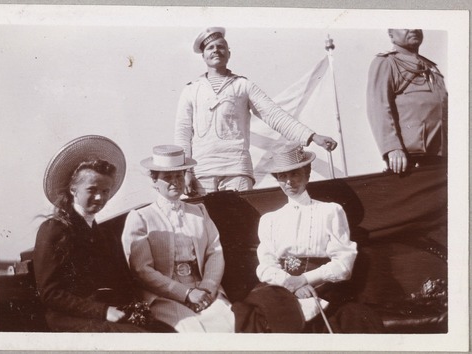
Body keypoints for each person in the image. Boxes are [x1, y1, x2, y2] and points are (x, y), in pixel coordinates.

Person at [174, 27, 338, 196]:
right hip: (202, 174)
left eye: (221, 46)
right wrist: (184, 172)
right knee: (204, 222)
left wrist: (313, 137)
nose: (216, 50)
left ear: (229, 53)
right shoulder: (191, 90)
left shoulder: (243, 85)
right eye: (210, 47)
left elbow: (274, 115)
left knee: (240, 222)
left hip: (237, 172)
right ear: (203, 56)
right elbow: (183, 134)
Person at [33, 135, 163, 332]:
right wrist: (103, 311)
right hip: (71, 319)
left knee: (166, 331)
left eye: (105, 191)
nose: (99, 197)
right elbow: (51, 294)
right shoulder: (54, 229)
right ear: (73, 189)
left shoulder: (103, 233)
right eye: (92, 189)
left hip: (107, 313)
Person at [255, 142, 384, 333]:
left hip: (323, 287)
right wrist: (291, 284)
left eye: (295, 174)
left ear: (307, 174)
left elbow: (343, 265)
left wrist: (305, 279)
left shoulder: (330, 211)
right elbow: (265, 266)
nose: (289, 182)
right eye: (283, 176)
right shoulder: (270, 220)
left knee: (349, 318)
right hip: (281, 289)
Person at [121, 144, 234, 332]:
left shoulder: (199, 211)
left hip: (205, 289)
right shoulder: (141, 217)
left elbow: (215, 251)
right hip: (164, 296)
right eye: (167, 177)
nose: (175, 181)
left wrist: (206, 289)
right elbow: (142, 270)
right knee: (191, 331)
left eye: (179, 175)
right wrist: (186, 294)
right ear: (154, 181)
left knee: (228, 326)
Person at [367, 29, 448, 174]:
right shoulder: (386, 63)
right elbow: (378, 108)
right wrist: (392, 148)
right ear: (391, 35)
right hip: (409, 159)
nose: (413, 29)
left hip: (441, 156)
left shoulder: (431, 67)